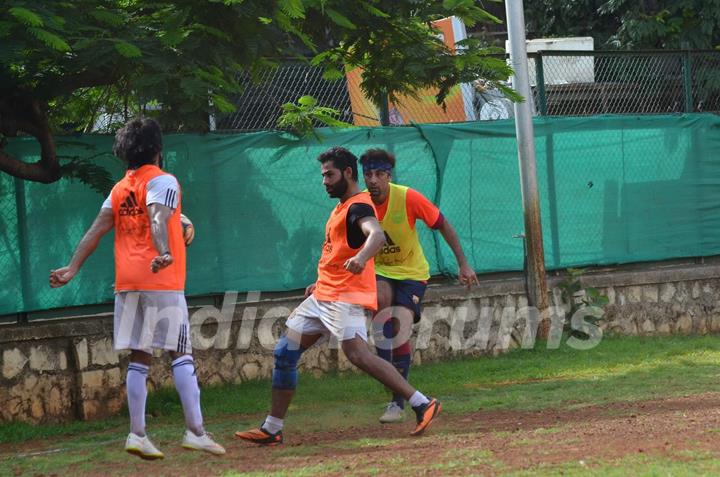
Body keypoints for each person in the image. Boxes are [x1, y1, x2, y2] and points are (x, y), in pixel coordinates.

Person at [234, 147, 441, 445]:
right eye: (322, 176)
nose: (324, 182)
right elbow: (336, 252)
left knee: (358, 355)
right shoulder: (342, 207)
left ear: (347, 173)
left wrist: (361, 259)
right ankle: (272, 427)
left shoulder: (358, 206)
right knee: (284, 352)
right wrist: (318, 283)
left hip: (343, 297)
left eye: (329, 175)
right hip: (323, 295)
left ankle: (422, 402)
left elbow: (377, 236)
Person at [49, 118, 225, 459]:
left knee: (139, 358)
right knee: (181, 354)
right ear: (159, 151)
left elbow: (96, 230)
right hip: (160, 280)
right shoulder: (163, 180)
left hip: (127, 283)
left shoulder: (119, 189)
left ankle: (137, 434)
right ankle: (196, 431)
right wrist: (164, 251)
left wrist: (72, 267)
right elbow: (158, 217)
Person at [359, 148, 479, 424]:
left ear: (388, 176)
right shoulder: (359, 203)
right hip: (379, 271)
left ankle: (397, 402)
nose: (373, 180)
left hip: (412, 272)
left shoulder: (408, 197)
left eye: (379, 174)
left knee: (399, 328)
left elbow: (443, 225)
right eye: (368, 174)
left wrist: (463, 264)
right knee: (382, 315)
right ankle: (396, 391)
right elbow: (339, 241)